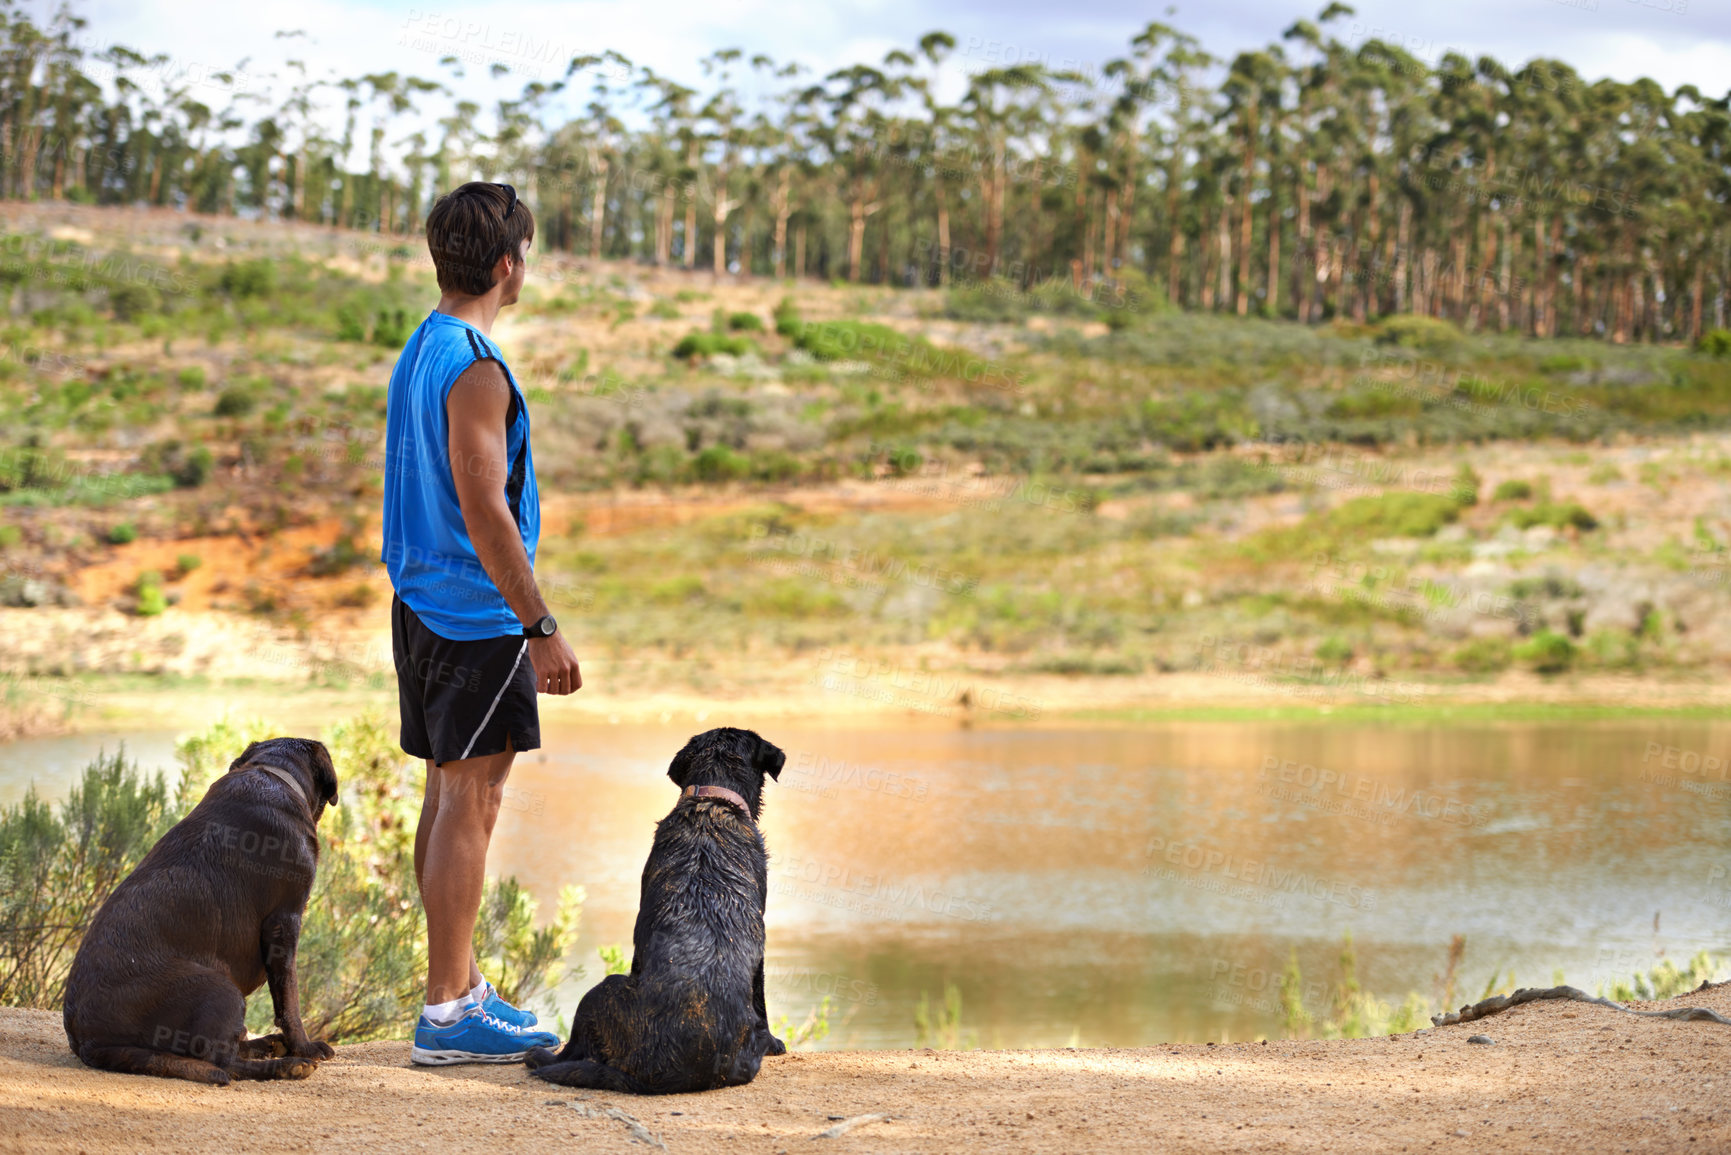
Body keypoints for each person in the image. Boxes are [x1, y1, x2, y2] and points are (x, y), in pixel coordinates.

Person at [380, 181, 585, 1064]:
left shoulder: (423, 346)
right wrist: (539, 626)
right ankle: (447, 1014)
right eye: (523, 254)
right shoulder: (475, 365)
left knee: (446, 791)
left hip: (424, 599)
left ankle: (456, 987)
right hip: (474, 615)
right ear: (507, 265)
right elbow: (484, 506)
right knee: (474, 797)